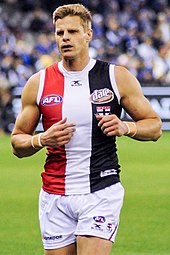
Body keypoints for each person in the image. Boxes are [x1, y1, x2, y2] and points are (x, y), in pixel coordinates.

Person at [11, 3, 162, 255]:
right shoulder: (38, 83)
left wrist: (126, 126)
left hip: (100, 191)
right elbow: (17, 143)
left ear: (88, 34)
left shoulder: (116, 76)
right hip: (54, 195)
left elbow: (154, 126)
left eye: (72, 31)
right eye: (60, 33)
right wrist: (41, 140)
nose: (65, 38)